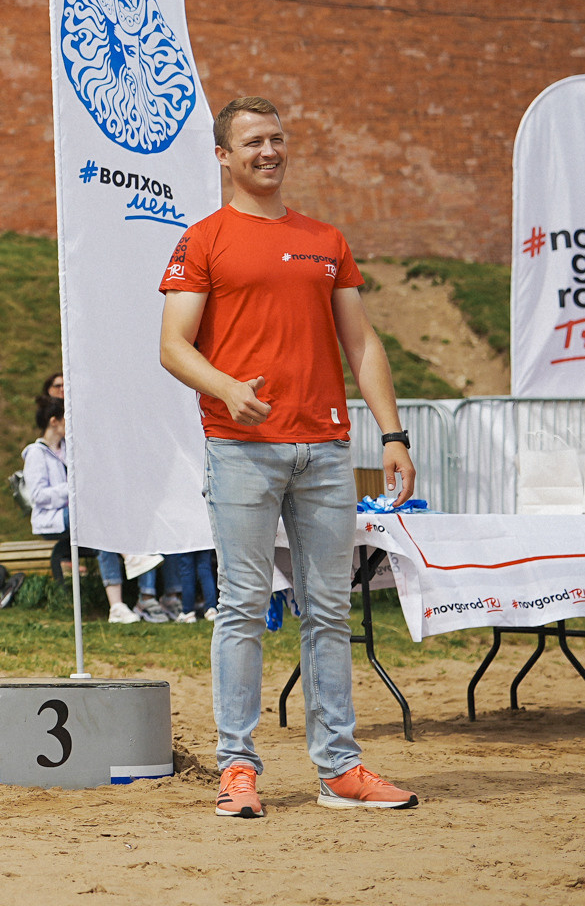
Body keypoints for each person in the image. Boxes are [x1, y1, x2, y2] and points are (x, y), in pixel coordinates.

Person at [159, 96, 418, 818]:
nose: (268, 151)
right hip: (241, 450)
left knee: (329, 611)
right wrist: (225, 388)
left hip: (328, 451)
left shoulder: (325, 239)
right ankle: (237, 769)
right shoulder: (203, 239)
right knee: (242, 609)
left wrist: (393, 435)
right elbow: (172, 345)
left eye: (277, 138)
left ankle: (340, 770)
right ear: (224, 157)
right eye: (252, 142)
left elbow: (362, 345)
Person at [19, 395, 72, 579]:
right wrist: (72, 489)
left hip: (71, 513)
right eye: (67, 418)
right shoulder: (36, 453)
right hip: (52, 518)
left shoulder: (69, 449)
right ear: (54, 421)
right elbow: (38, 496)